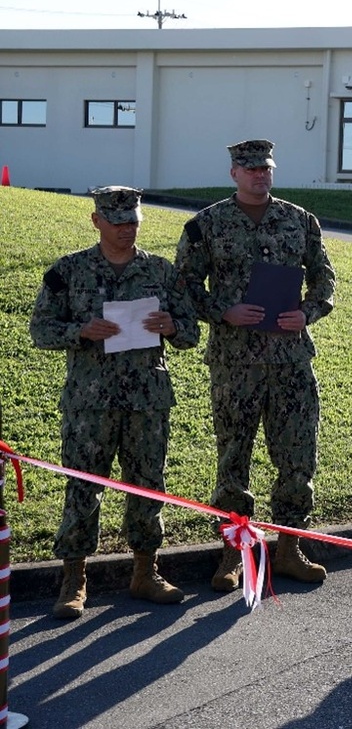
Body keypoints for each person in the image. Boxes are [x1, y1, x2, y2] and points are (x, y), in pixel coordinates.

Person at [29, 186, 200, 619]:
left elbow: (191, 333)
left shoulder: (162, 272)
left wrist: (170, 325)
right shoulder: (68, 272)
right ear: (97, 221)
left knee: (148, 485)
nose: (127, 230)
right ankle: (74, 579)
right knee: (83, 486)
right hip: (91, 403)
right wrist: (80, 331)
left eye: (133, 222)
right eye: (118, 222)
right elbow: (40, 330)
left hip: (147, 400)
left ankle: (146, 572)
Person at [174, 139, 336, 592]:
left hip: (290, 360)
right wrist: (221, 309)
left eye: (265, 168)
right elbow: (184, 284)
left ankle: (289, 547)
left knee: (297, 455)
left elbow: (324, 278)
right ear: (233, 173)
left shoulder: (300, 221)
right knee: (233, 457)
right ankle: (234, 549)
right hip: (235, 361)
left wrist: (307, 312)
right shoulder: (206, 225)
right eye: (249, 169)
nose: (259, 175)